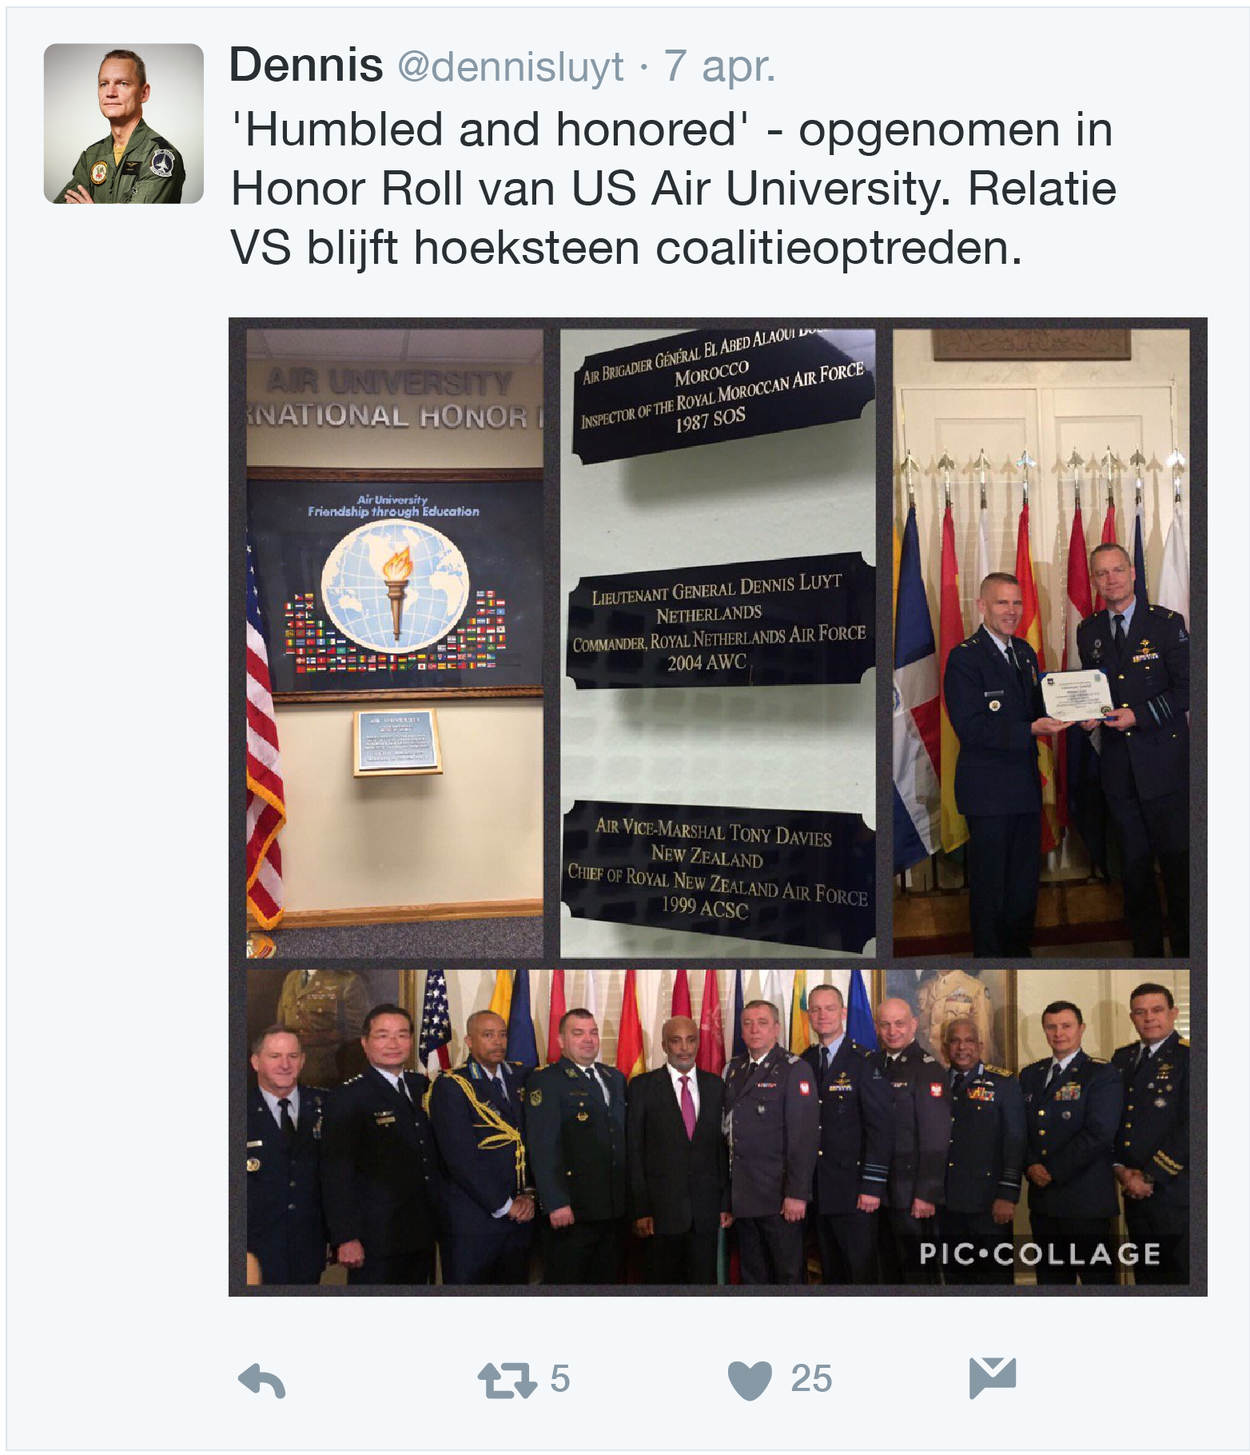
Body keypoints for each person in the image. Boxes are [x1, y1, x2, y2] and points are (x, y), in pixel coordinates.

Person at [943, 572, 1067, 956]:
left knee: (1022, 885)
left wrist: (1079, 711)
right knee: (991, 887)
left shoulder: (1024, 652)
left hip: (1024, 788)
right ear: (982, 606)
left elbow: (1038, 705)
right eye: (1002, 602)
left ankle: (1018, 955)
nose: (1011, 611)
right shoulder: (965, 658)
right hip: (988, 793)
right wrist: (1030, 729)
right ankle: (991, 957)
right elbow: (971, 728)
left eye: (1016, 602)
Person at [1077, 543, 1190, 956]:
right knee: (1135, 872)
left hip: (1165, 768)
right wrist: (1089, 714)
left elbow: (1188, 689)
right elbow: (1095, 690)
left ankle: (1187, 955)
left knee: (1179, 871)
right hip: (1120, 772)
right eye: (1102, 573)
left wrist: (1138, 715)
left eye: (1118, 570)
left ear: (1133, 573)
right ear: (1094, 580)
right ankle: (1147, 954)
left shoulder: (1166, 624)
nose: (1111, 579)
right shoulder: (1088, 630)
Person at [321, 1004, 443, 1285]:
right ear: (365, 1043)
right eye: (383, 1035)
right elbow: (336, 1173)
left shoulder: (422, 1087)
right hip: (376, 1237)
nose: (393, 1044)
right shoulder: (348, 1097)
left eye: (402, 1035)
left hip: (422, 1231)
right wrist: (346, 1236)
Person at [1019, 1000, 1123, 1285]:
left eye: (1066, 1026)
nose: (1059, 1033)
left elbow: (1100, 1133)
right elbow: (1021, 1129)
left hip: (1086, 1201)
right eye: (1051, 1027)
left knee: (1097, 1285)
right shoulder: (1030, 1075)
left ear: (1081, 1029)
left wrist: (1051, 1170)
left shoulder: (1101, 1073)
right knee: (1051, 1283)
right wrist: (1030, 1164)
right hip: (1044, 1203)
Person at [428, 1010, 535, 1285]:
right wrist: (505, 1205)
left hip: (521, 1219)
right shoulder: (452, 1085)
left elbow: (532, 1142)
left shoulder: (521, 1077)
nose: (498, 1042)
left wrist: (528, 1195)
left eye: (502, 1034)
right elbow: (461, 1159)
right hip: (473, 1223)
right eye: (488, 1035)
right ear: (469, 1041)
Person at [626, 1015, 732, 1285]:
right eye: (676, 1041)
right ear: (664, 1045)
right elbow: (635, 1151)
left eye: (691, 1040)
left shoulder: (716, 1086)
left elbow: (722, 1150)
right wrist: (641, 1208)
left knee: (703, 1288)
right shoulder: (642, 1087)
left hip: (706, 1214)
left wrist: (724, 1202)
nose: (684, 1048)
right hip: (660, 1215)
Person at [525, 1008, 627, 1284]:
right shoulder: (547, 1080)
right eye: (578, 1033)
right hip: (571, 1211)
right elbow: (543, 1146)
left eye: (593, 1032)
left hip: (612, 1209)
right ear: (561, 1041)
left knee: (606, 1286)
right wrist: (556, 1202)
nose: (588, 1039)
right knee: (568, 1288)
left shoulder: (614, 1078)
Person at [722, 999, 819, 1285]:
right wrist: (727, 1199)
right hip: (744, 1196)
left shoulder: (794, 1069)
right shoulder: (733, 1069)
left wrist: (797, 1193)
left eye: (762, 1023)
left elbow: (804, 1137)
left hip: (779, 1198)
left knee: (788, 1275)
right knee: (753, 1276)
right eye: (748, 1024)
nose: (754, 1030)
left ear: (776, 1028)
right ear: (741, 1031)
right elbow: (727, 1135)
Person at [800, 984, 892, 1284]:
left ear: (842, 1012)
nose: (822, 1015)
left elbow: (880, 1129)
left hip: (855, 1192)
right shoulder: (805, 1061)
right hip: (819, 1191)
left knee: (860, 1274)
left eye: (829, 1008)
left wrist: (873, 1186)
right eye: (815, 1009)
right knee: (832, 1274)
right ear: (809, 1015)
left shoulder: (864, 1061)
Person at [1111, 983, 1189, 1283]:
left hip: (1176, 1191)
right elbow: (1115, 1120)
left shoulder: (1191, 1057)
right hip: (1133, 1191)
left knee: (1182, 1278)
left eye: (1157, 1010)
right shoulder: (1122, 1058)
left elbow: (1195, 1126)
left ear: (1173, 1013)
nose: (1149, 1018)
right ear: (1132, 1017)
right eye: (1140, 1012)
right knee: (1146, 1278)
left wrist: (1150, 1176)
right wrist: (1121, 1170)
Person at [870, 997, 952, 1284]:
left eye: (899, 1023)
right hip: (881, 1192)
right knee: (887, 1270)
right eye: (885, 1024)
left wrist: (926, 1193)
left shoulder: (927, 1068)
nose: (892, 1031)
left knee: (917, 1273)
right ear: (877, 1027)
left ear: (914, 1024)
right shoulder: (874, 1064)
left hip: (911, 1193)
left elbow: (936, 1138)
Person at [938, 1018, 1025, 1286]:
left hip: (989, 1203)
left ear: (980, 1045)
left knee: (994, 1281)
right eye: (955, 1041)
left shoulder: (1003, 1083)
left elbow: (1015, 1140)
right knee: (955, 1280)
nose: (962, 1047)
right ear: (945, 1047)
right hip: (947, 1203)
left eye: (969, 1041)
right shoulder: (936, 1082)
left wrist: (1007, 1194)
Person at [245, 1026, 328, 1285]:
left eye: (292, 1056)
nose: (285, 1065)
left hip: (308, 1249)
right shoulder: (236, 1110)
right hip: (252, 1252)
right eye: (275, 1056)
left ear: (302, 1061)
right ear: (256, 1061)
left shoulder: (326, 1106)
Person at [56, 50, 185, 204]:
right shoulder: (91, 156)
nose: (110, 93)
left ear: (143, 93)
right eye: (104, 84)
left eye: (123, 83)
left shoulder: (160, 157)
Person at [275, 969, 370, 1086]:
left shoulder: (347, 980)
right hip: (289, 1071)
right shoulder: (292, 977)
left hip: (328, 1071)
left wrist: (318, 1038)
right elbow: (281, 1025)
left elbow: (358, 1031)